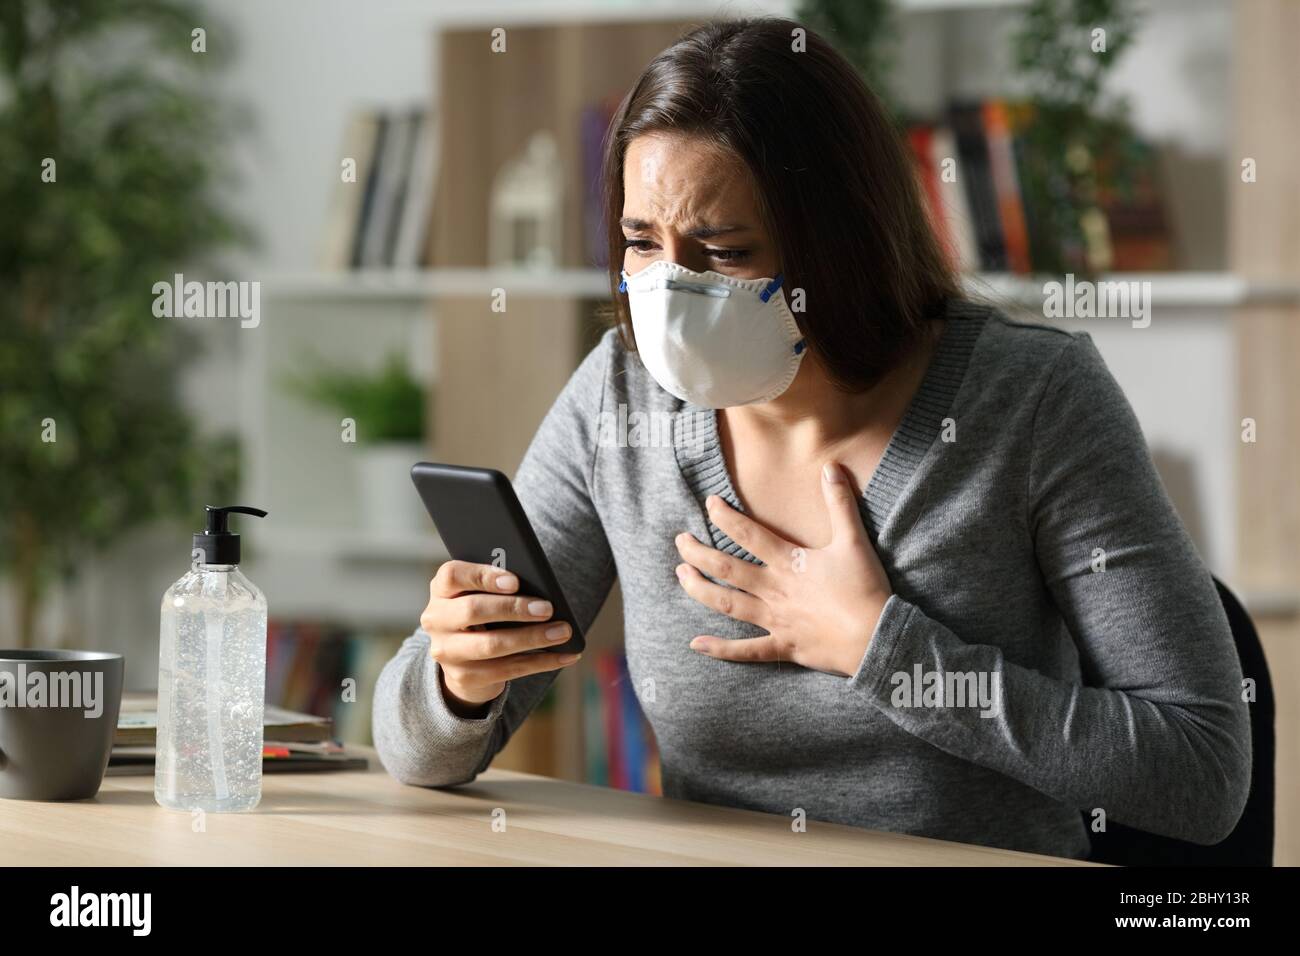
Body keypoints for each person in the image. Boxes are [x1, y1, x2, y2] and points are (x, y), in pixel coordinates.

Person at [372, 17, 1250, 860]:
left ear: (837, 246)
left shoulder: (1032, 399)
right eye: (642, 242)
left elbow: (1202, 770)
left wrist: (888, 654)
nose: (668, 293)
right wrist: (460, 682)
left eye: (722, 252)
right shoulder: (619, 395)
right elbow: (413, 752)